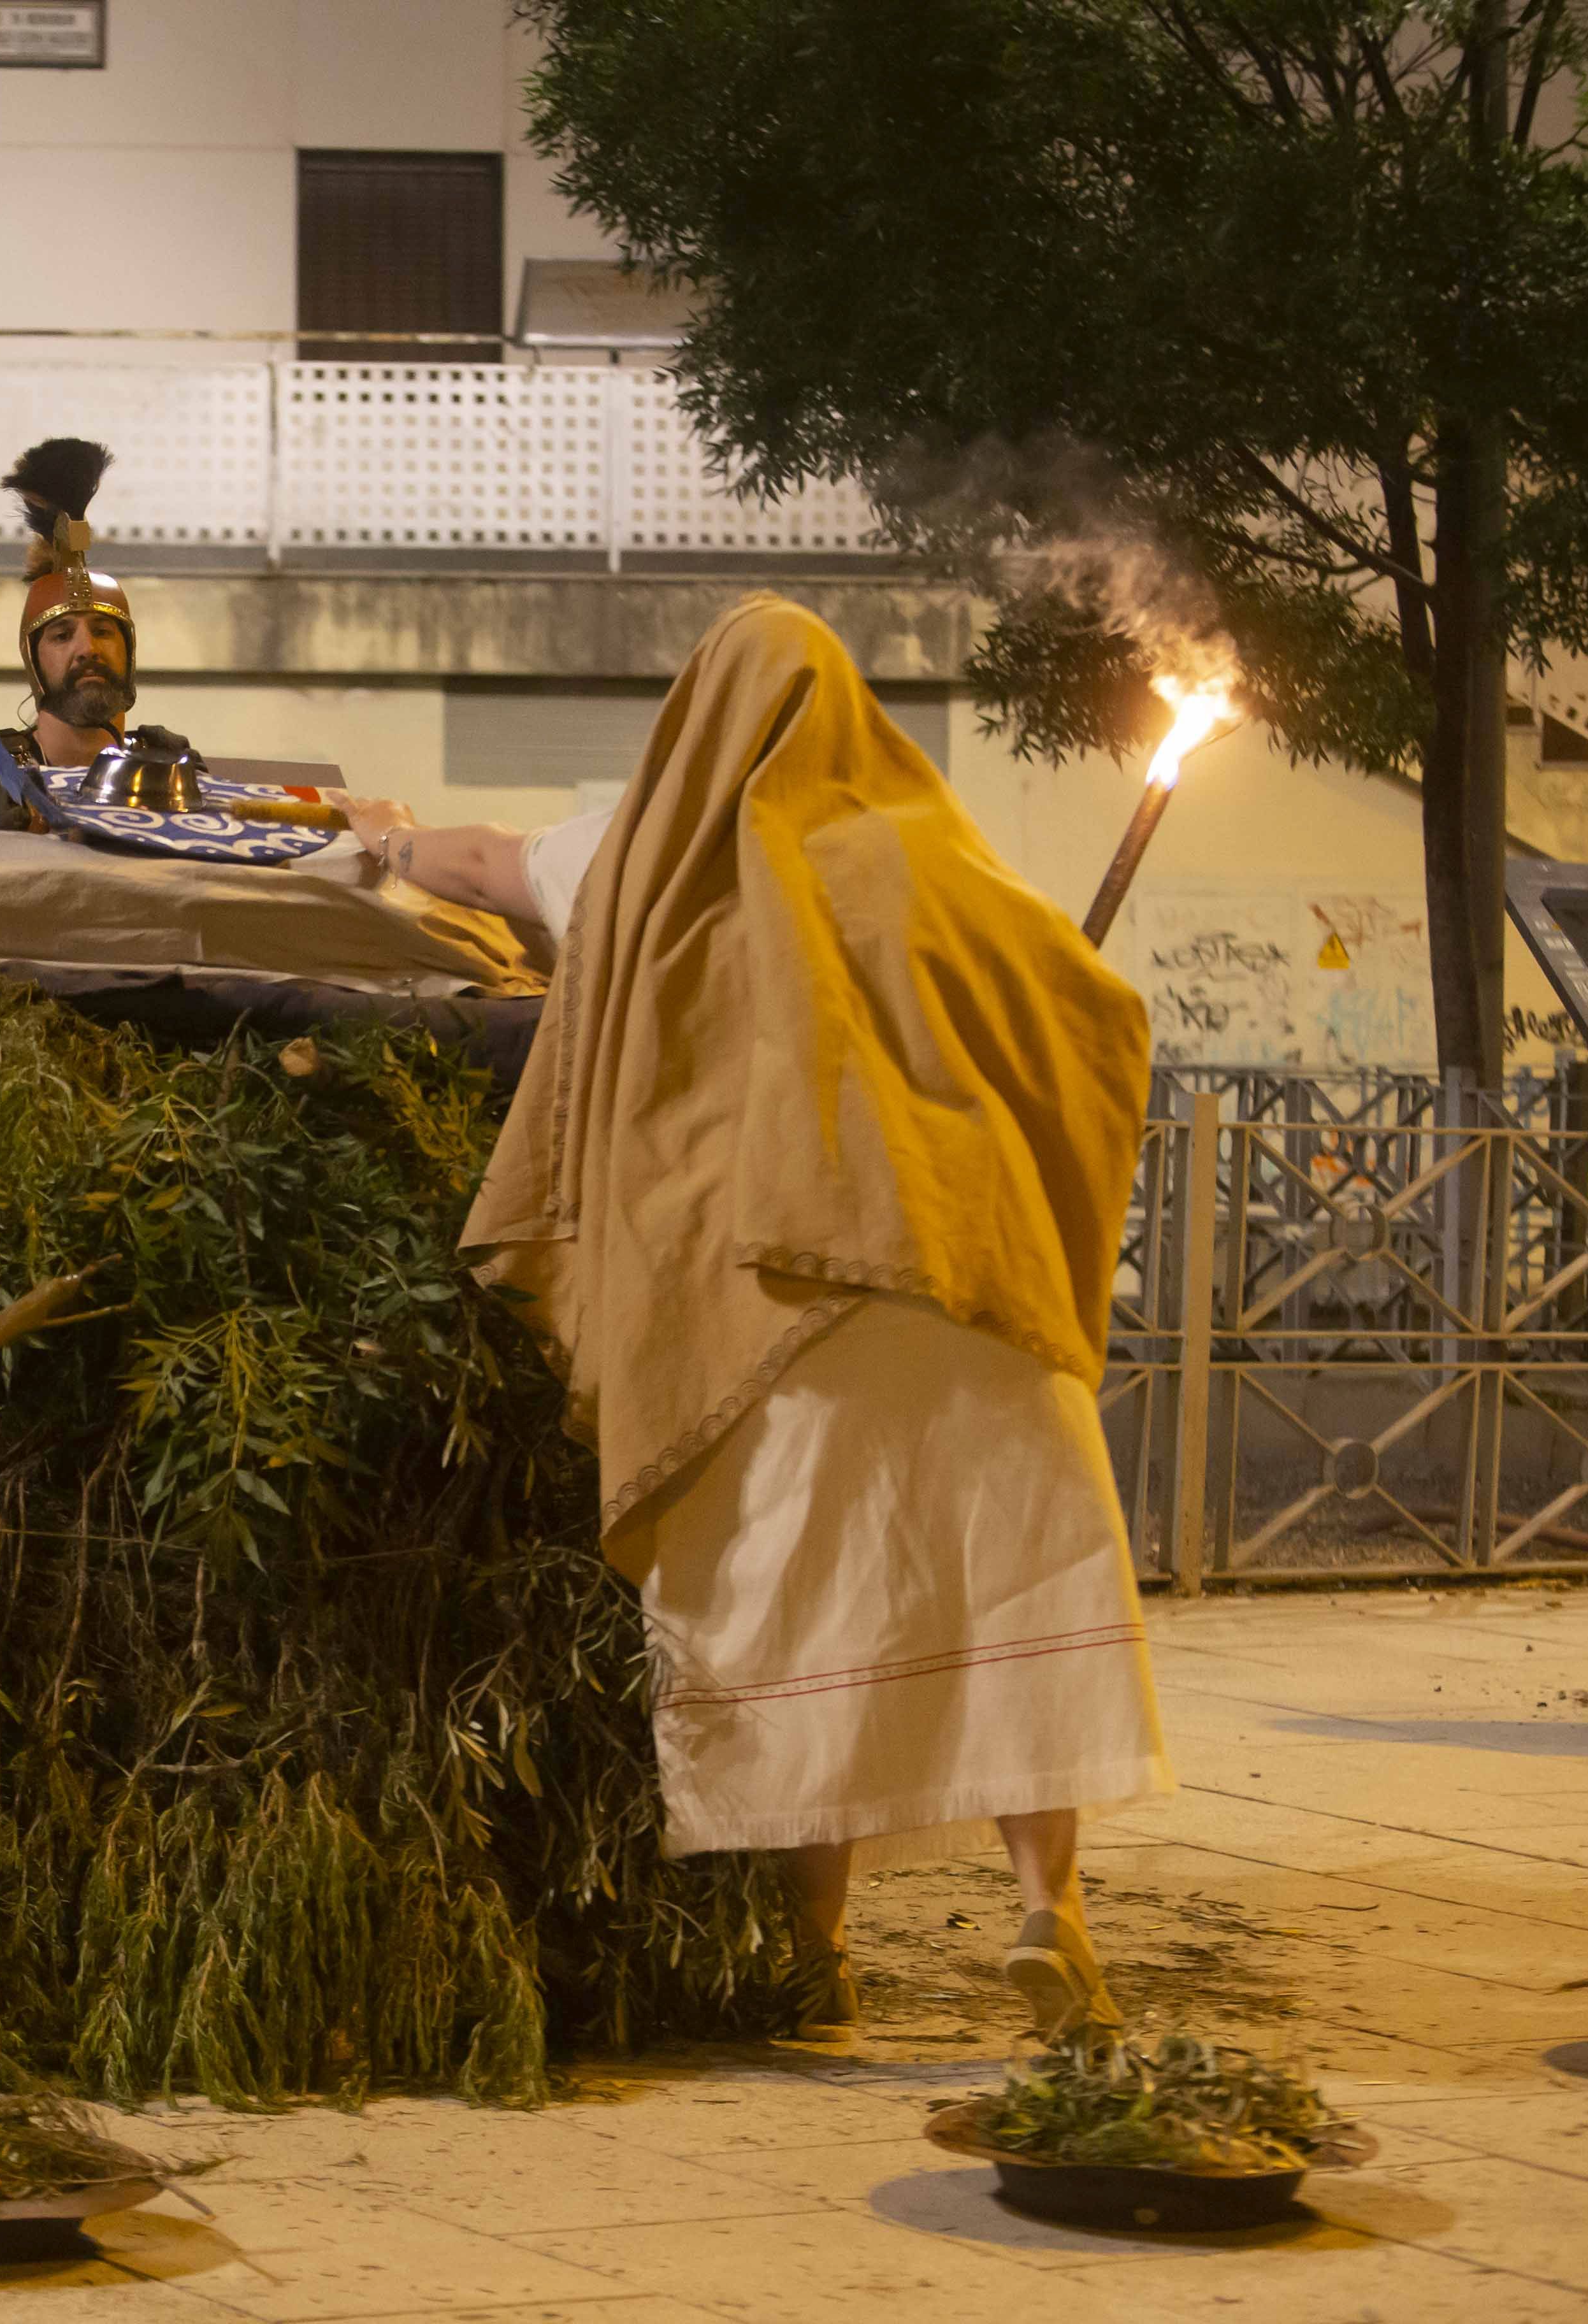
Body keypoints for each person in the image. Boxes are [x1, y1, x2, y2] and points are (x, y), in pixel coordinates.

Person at [345, 594, 1171, 2041]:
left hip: (770, 1317)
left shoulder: (640, 850)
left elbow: (473, 861)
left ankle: (817, 1954)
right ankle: (1051, 1919)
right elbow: (1092, 1011)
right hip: (973, 1293)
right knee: (1019, 1616)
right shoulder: (938, 859)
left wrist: (381, 837)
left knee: (801, 1626)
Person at [0, 438, 194, 832]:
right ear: (33, 659)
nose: (87, 649)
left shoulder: (171, 770)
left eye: (104, 631)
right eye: (61, 635)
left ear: (131, 650)